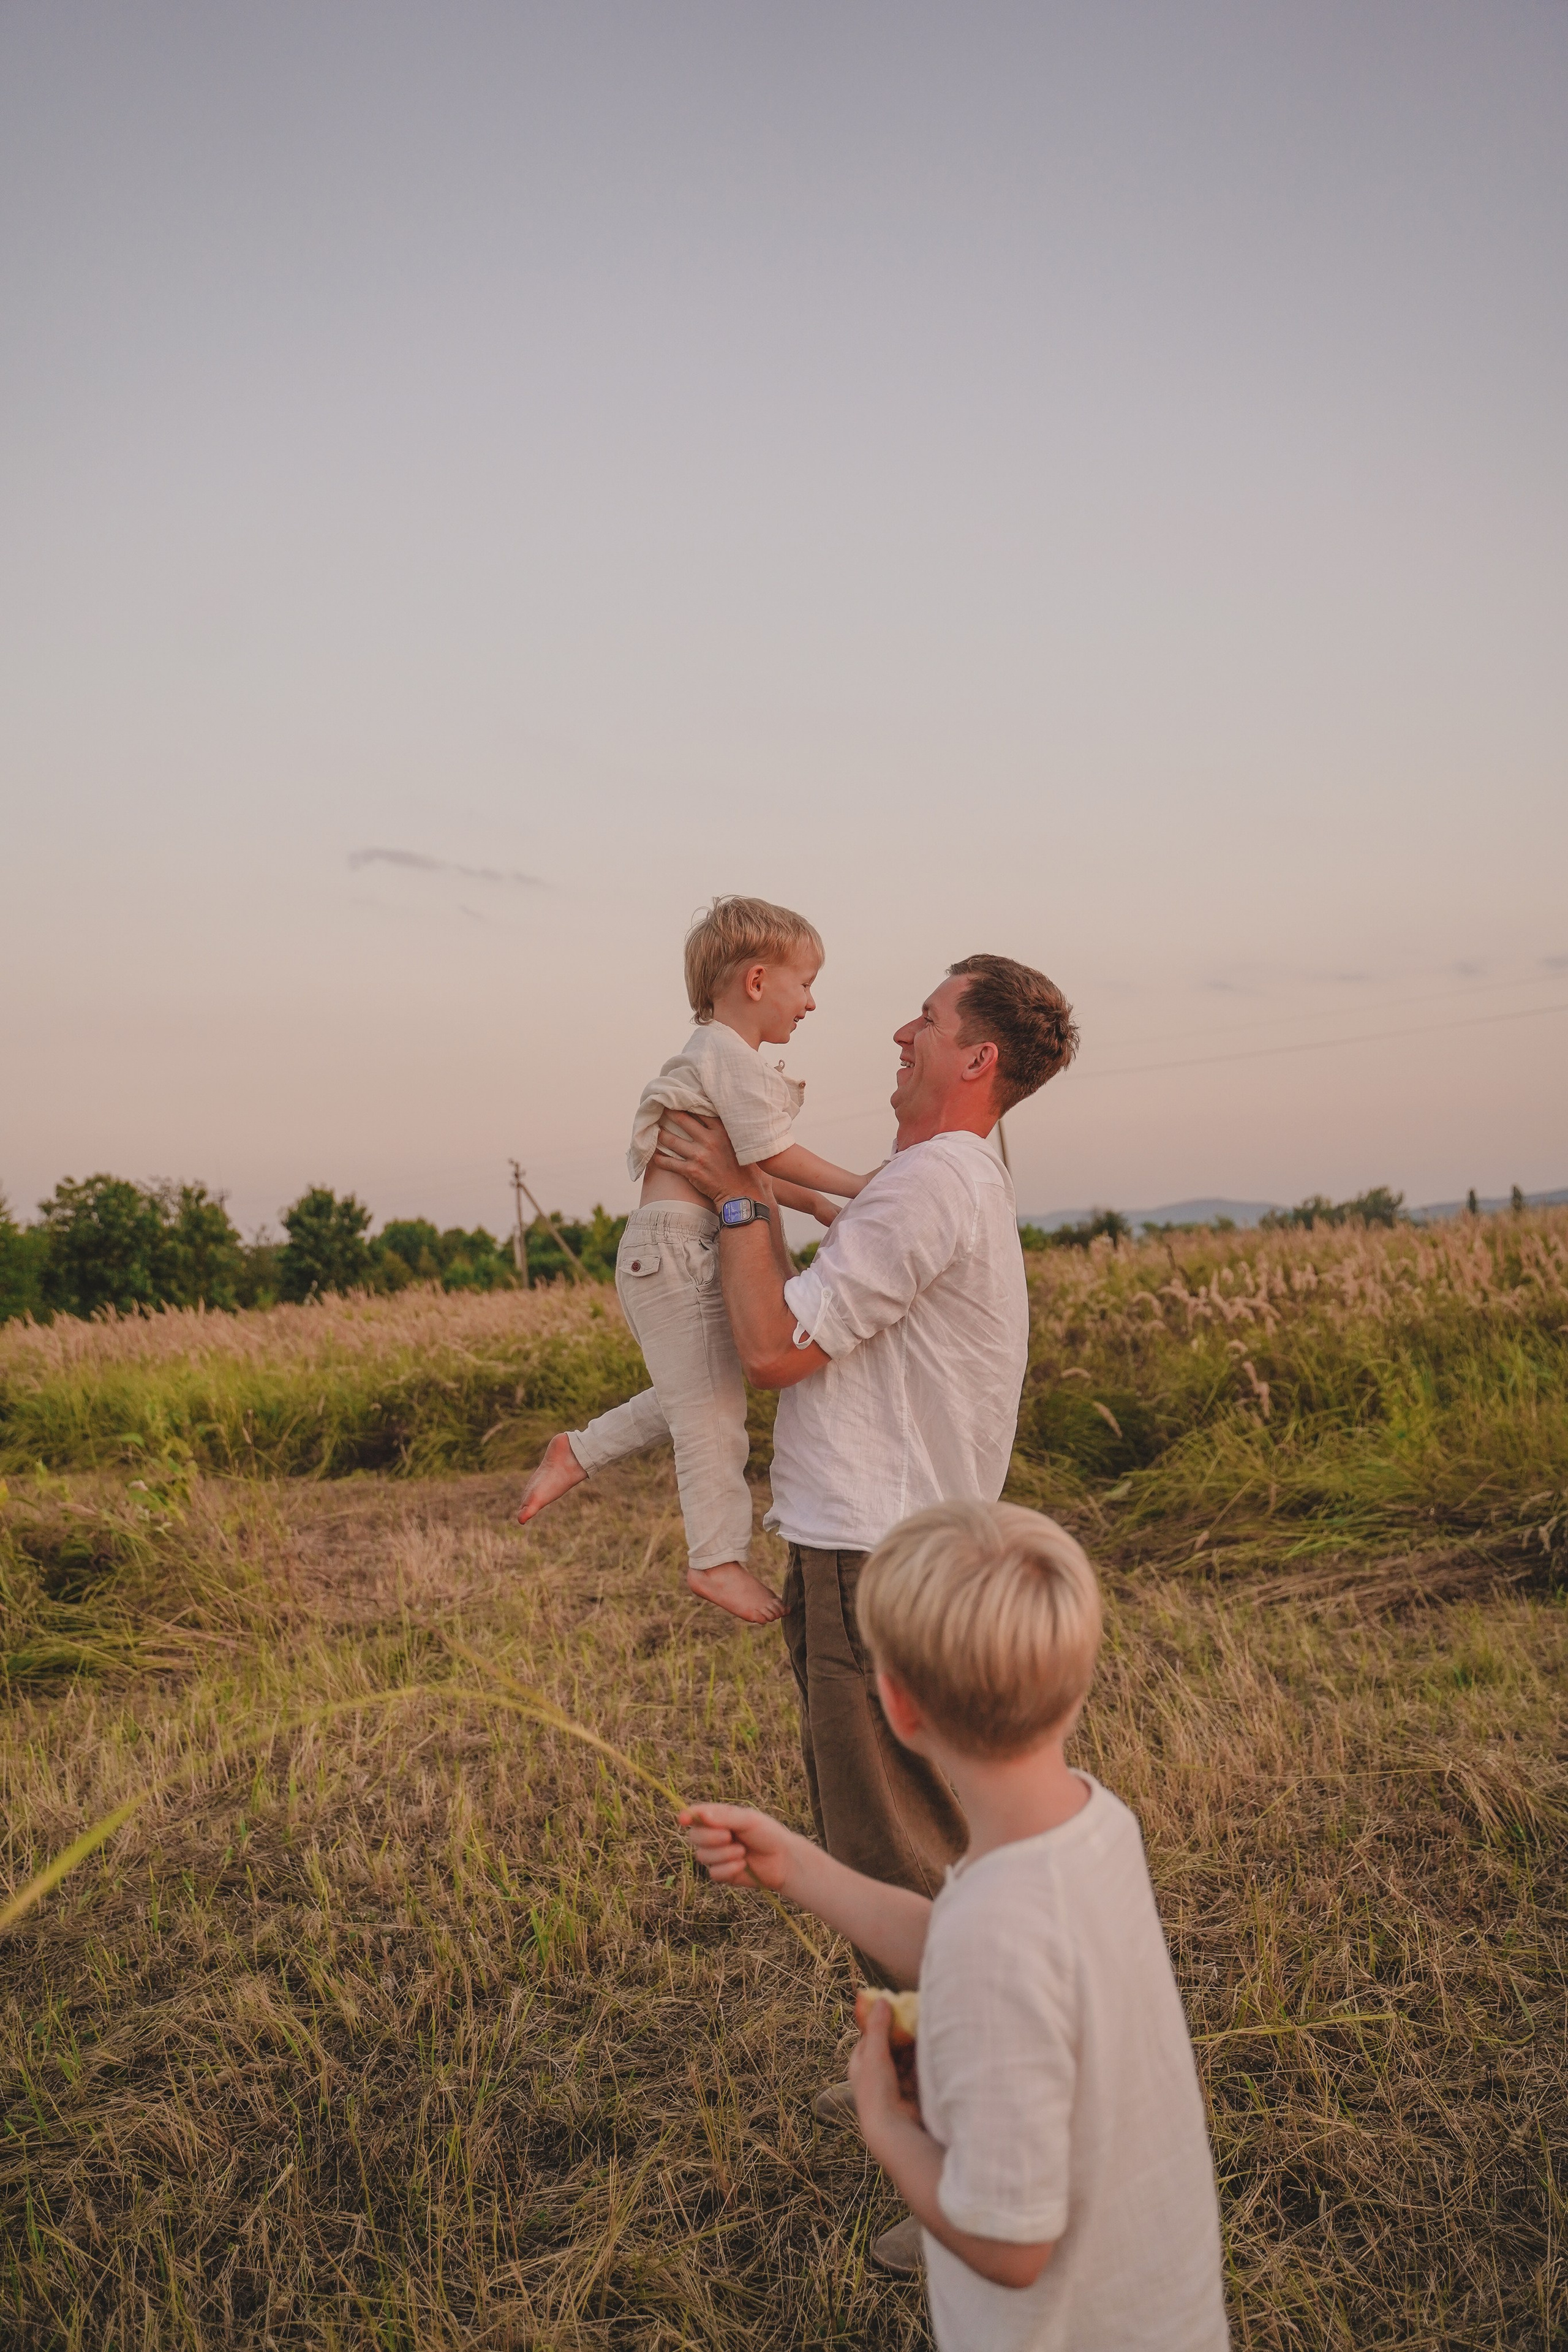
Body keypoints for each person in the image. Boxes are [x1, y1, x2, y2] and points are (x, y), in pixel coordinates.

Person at [680, 1499, 1230, 2352]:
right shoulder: (1094, 1825)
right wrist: (798, 1866)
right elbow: (960, 1938)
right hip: (1166, 2311)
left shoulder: (999, 1931)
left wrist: (889, 2128)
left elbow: (1012, 2247)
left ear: (895, 1707)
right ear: (1079, 1677)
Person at [516, 895, 873, 1625]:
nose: (811, 1001)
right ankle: (714, 1559)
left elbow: (757, 1172)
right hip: (674, 1249)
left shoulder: (722, 1060)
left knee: (704, 1393)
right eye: (803, 983)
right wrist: (863, 1184)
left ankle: (577, 1451)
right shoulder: (724, 1054)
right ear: (755, 980)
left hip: (684, 1246)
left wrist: (822, 1209)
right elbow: (769, 1154)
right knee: (712, 1417)